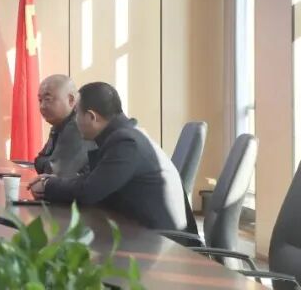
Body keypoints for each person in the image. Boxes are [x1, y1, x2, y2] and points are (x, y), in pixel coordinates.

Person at [29, 82, 195, 232]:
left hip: (163, 242)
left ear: (92, 117)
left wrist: (48, 186)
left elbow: (89, 191)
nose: (75, 120)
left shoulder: (126, 142)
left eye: (77, 113)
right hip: (141, 230)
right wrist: (55, 181)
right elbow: (95, 180)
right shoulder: (126, 134)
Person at [34, 74, 92, 177]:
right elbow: (39, 161)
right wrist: (47, 162)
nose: (42, 106)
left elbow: (55, 171)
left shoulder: (78, 125)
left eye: (48, 99)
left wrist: (46, 162)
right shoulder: (59, 124)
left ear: (71, 100)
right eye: (40, 100)